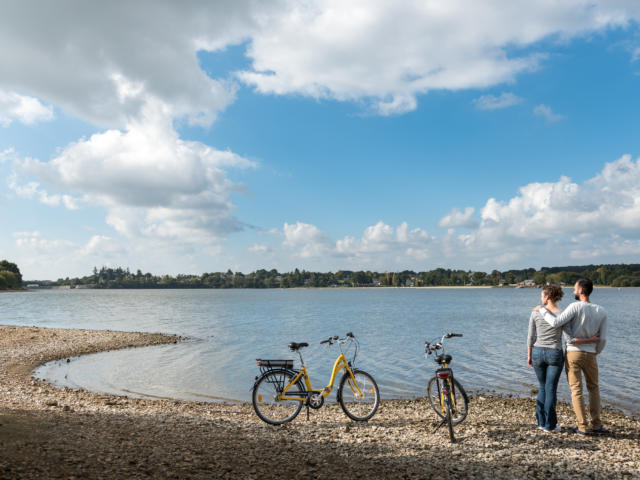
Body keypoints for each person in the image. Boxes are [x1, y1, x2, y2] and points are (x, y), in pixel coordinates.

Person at [535, 278, 608, 435]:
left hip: (573, 353)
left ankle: (582, 426)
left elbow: (556, 323)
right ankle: (596, 424)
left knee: (576, 390)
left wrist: (542, 309)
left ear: (581, 290)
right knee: (594, 388)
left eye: (575, 289)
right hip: (591, 354)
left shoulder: (574, 306)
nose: (573, 291)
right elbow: (603, 339)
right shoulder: (601, 310)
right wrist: (595, 351)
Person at [527, 284, 566, 432]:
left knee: (542, 387)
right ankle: (550, 425)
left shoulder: (536, 312)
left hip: (537, 351)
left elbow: (531, 336)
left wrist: (529, 355)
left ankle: (541, 423)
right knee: (550, 389)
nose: (541, 298)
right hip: (554, 353)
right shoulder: (561, 313)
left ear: (547, 296)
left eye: (542, 295)